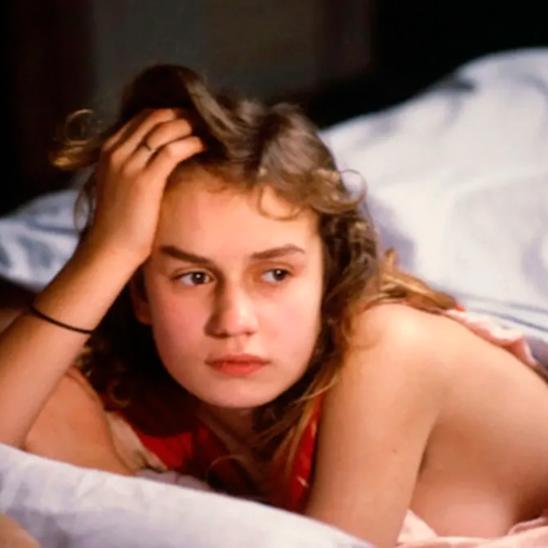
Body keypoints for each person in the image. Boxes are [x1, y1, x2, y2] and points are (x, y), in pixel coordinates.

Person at [0, 64, 547, 547]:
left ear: (327, 275)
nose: (235, 322)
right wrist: (108, 251)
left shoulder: (388, 347)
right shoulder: (158, 398)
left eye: (276, 274)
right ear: (140, 293)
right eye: (193, 277)